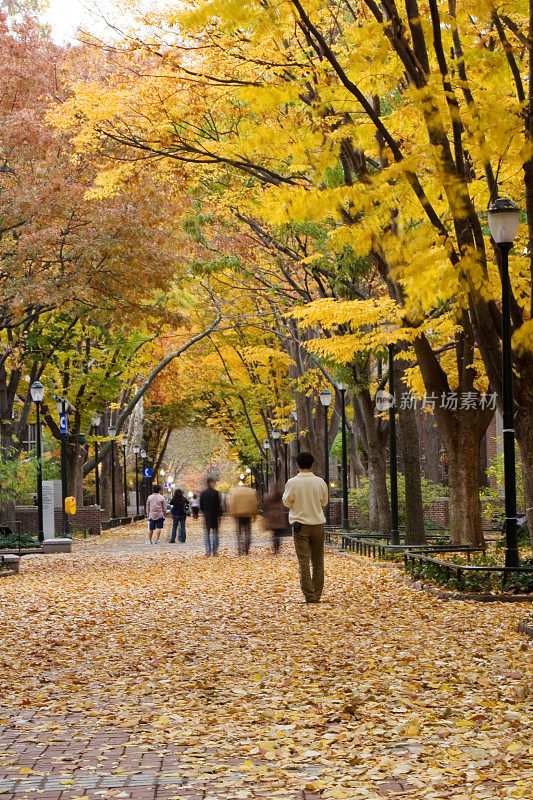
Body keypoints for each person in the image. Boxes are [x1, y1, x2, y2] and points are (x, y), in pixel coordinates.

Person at [282, 451, 329, 603]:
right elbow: (324, 502)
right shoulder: (320, 482)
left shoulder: (293, 482)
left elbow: (286, 502)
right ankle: (317, 593)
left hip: (300, 525)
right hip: (318, 524)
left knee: (303, 561)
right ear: (312, 464)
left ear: (297, 465)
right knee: (318, 560)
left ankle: (309, 595)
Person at [228, 482, 259, 555]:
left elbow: (232, 503)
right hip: (248, 515)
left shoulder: (235, 492)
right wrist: (254, 514)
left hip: (238, 515)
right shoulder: (251, 492)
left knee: (239, 533)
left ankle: (240, 548)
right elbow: (254, 503)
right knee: (247, 531)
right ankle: (247, 547)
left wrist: (232, 514)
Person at [199, 478, 223, 557]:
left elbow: (201, 505)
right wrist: (220, 515)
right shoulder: (216, 493)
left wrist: (204, 512)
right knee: (215, 532)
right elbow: (219, 505)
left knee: (207, 533)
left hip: (207, 515)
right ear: (211, 483)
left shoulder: (203, 493)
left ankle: (208, 550)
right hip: (215, 515)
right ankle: (215, 550)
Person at [263, 484, 287, 553]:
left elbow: (266, 504)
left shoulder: (268, 497)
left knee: (274, 533)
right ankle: (278, 547)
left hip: (272, 516)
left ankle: (275, 546)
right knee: (279, 533)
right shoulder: (279, 496)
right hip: (279, 515)